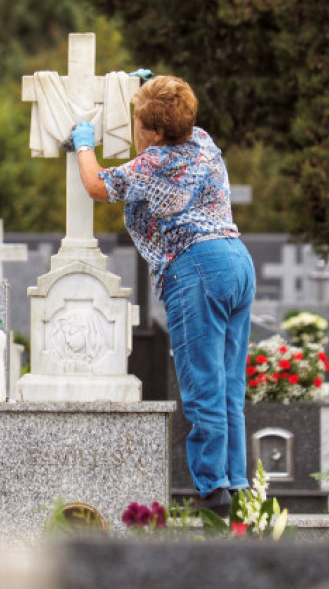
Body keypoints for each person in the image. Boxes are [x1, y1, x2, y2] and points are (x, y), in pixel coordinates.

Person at [72, 75, 256, 514]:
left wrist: (83, 144)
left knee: (202, 382)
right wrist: (150, 86)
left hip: (196, 267)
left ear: (153, 133)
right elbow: (173, 106)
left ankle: (212, 494)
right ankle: (235, 483)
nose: (136, 128)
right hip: (236, 261)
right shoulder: (204, 142)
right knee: (229, 382)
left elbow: (98, 185)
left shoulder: (154, 162)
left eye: (140, 122)